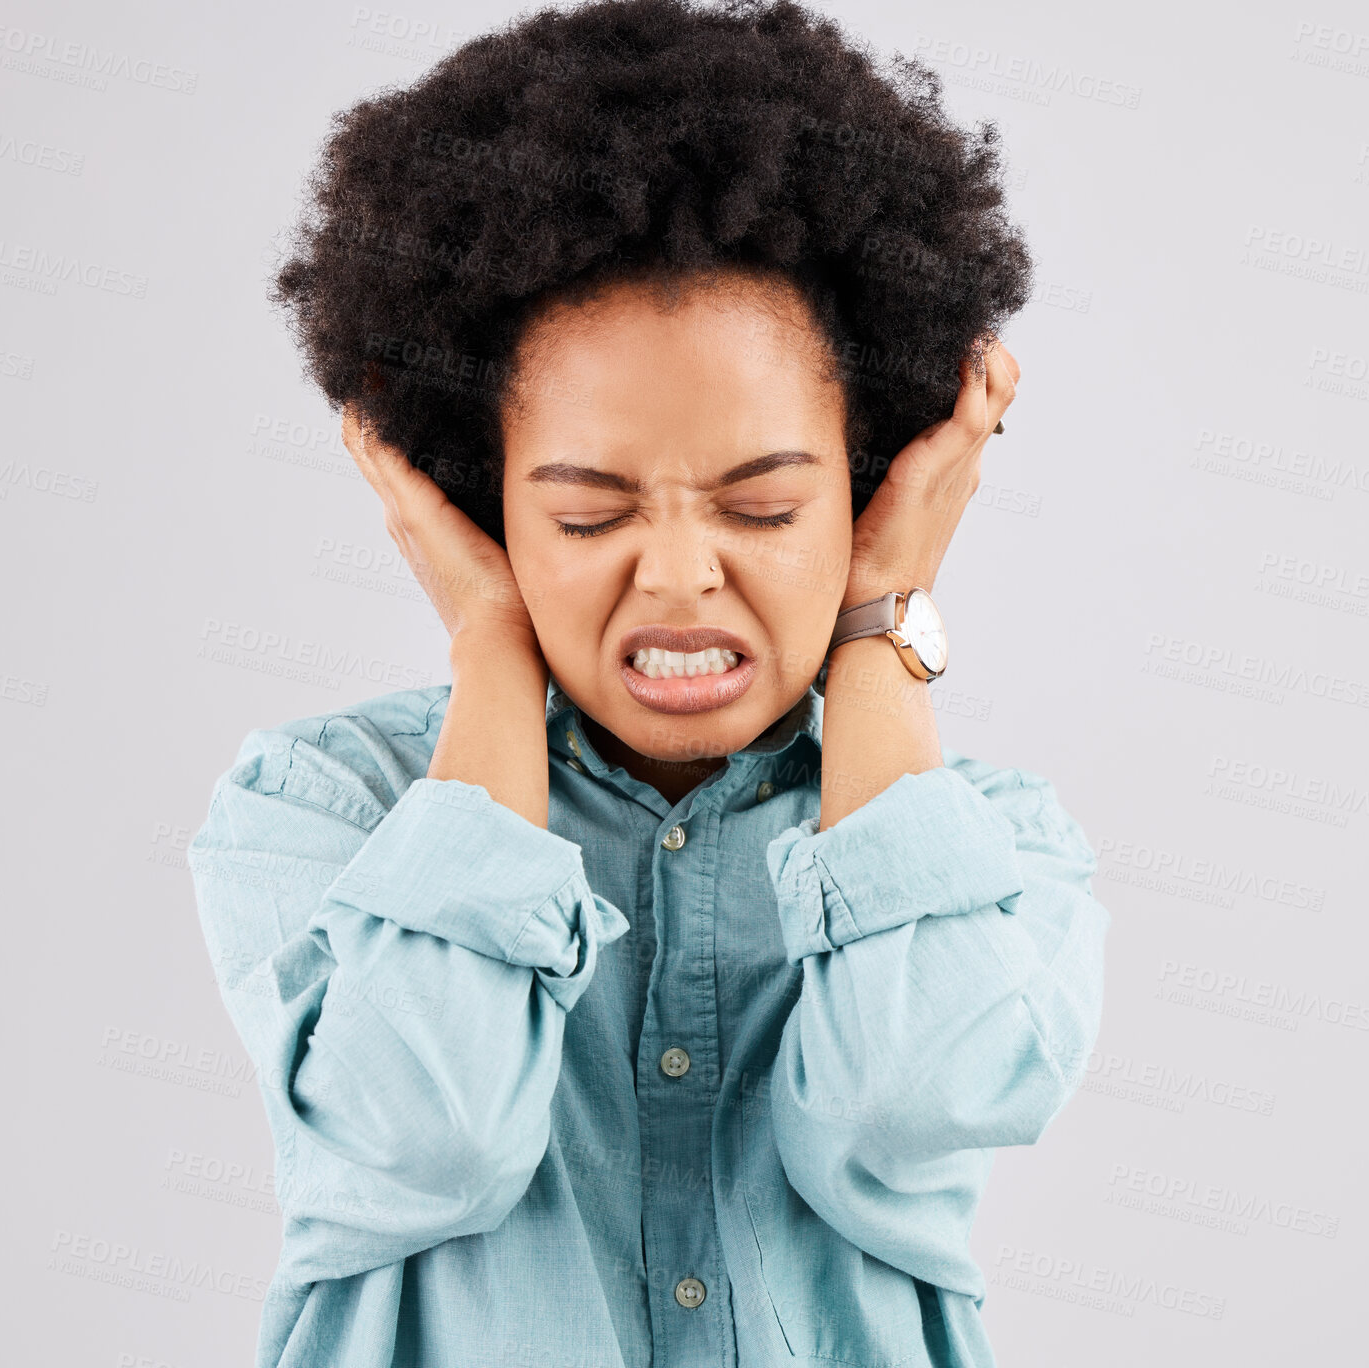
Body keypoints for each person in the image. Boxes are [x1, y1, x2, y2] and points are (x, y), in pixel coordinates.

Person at [188, 2, 1109, 1364]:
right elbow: (428, 1139)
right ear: (477, 494)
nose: (678, 576)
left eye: (762, 506)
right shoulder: (324, 811)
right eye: (585, 515)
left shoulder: (996, 852)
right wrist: (490, 650)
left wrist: (877, 629)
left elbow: (904, 1104)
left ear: (864, 489)